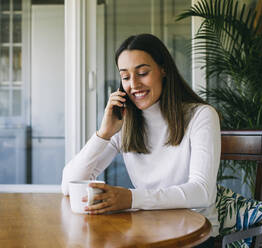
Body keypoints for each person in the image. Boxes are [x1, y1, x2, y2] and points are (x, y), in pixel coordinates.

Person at [61, 33, 221, 246]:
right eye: (125, 77)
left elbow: (202, 192)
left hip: (196, 235)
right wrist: (104, 133)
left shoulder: (201, 116)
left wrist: (131, 198)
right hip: (147, 231)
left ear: (163, 69)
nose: (134, 84)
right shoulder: (124, 122)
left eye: (142, 73)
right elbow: (68, 186)